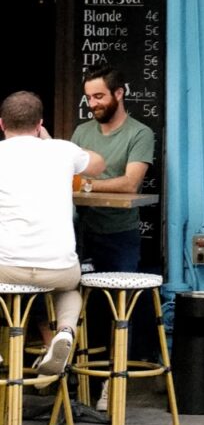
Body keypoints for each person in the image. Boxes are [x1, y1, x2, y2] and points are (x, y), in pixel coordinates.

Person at [0, 89, 107, 380]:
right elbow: (99, 164)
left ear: (2, 124)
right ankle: (65, 331)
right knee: (69, 290)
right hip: (58, 269)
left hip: (7, 270)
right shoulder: (62, 150)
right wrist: (50, 142)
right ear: (39, 124)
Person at [75, 66, 155, 277]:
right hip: (81, 230)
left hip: (119, 233)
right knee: (78, 293)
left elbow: (131, 184)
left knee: (119, 293)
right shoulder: (81, 131)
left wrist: (85, 185)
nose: (92, 104)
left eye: (98, 96)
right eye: (88, 98)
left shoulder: (140, 133)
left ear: (119, 93)